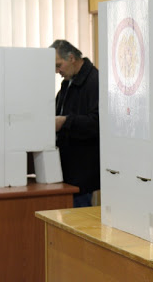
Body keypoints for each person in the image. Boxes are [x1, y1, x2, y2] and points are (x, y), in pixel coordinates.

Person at [50, 39, 100, 207]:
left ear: (71, 58)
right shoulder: (67, 84)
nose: (57, 71)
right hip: (66, 170)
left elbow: (97, 122)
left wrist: (65, 121)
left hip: (83, 171)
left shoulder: (95, 81)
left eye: (58, 65)